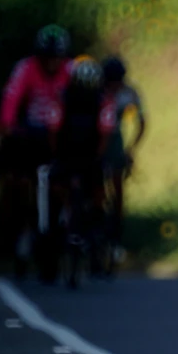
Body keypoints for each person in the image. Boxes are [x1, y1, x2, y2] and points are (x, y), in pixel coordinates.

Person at [0, 24, 72, 278]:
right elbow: (11, 101)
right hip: (28, 136)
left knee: (66, 182)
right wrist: (8, 126)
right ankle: (16, 230)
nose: (51, 63)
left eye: (56, 57)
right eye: (47, 57)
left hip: (59, 136)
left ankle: (67, 228)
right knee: (16, 181)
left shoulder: (69, 72)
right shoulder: (25, 68)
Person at [52, 56, 115, 260]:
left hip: (90, 156)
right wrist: (56, 154)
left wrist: (98, 157)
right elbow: (54, 129)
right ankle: (59, 222)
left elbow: (105, 133)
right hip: (68, 155)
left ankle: (98, 229)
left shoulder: (102, 101)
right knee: (56, 186)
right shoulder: (63, 98)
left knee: (98, 192)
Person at [101, 55, 146, 263]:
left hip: (115, 141)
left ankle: (116, 237)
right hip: (96, 138)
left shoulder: (128, 93)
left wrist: (131, 149)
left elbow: (142, 121)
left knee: (117, 189)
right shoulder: (98, 92)